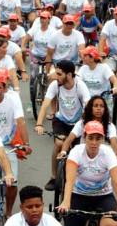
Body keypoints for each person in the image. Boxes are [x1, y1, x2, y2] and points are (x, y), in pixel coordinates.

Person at [36, 59, 92, 190]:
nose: (56, 76)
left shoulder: (80, 86)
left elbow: (88, 105)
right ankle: (54, 176)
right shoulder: (55, 85)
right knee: (59, 144)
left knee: (80, 151)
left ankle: (79, 178)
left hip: (78, 123)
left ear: (69, 75)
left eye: (59, 74)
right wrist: (39, 124)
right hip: (61, 120)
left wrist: (87, 123)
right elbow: (45, 105)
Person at [0, 69, 29, 212]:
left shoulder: (13, 99)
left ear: (4, 88)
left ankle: (8, 212)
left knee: (12, 183)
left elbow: (20, 121)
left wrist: (25, 144)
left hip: (7, 145)